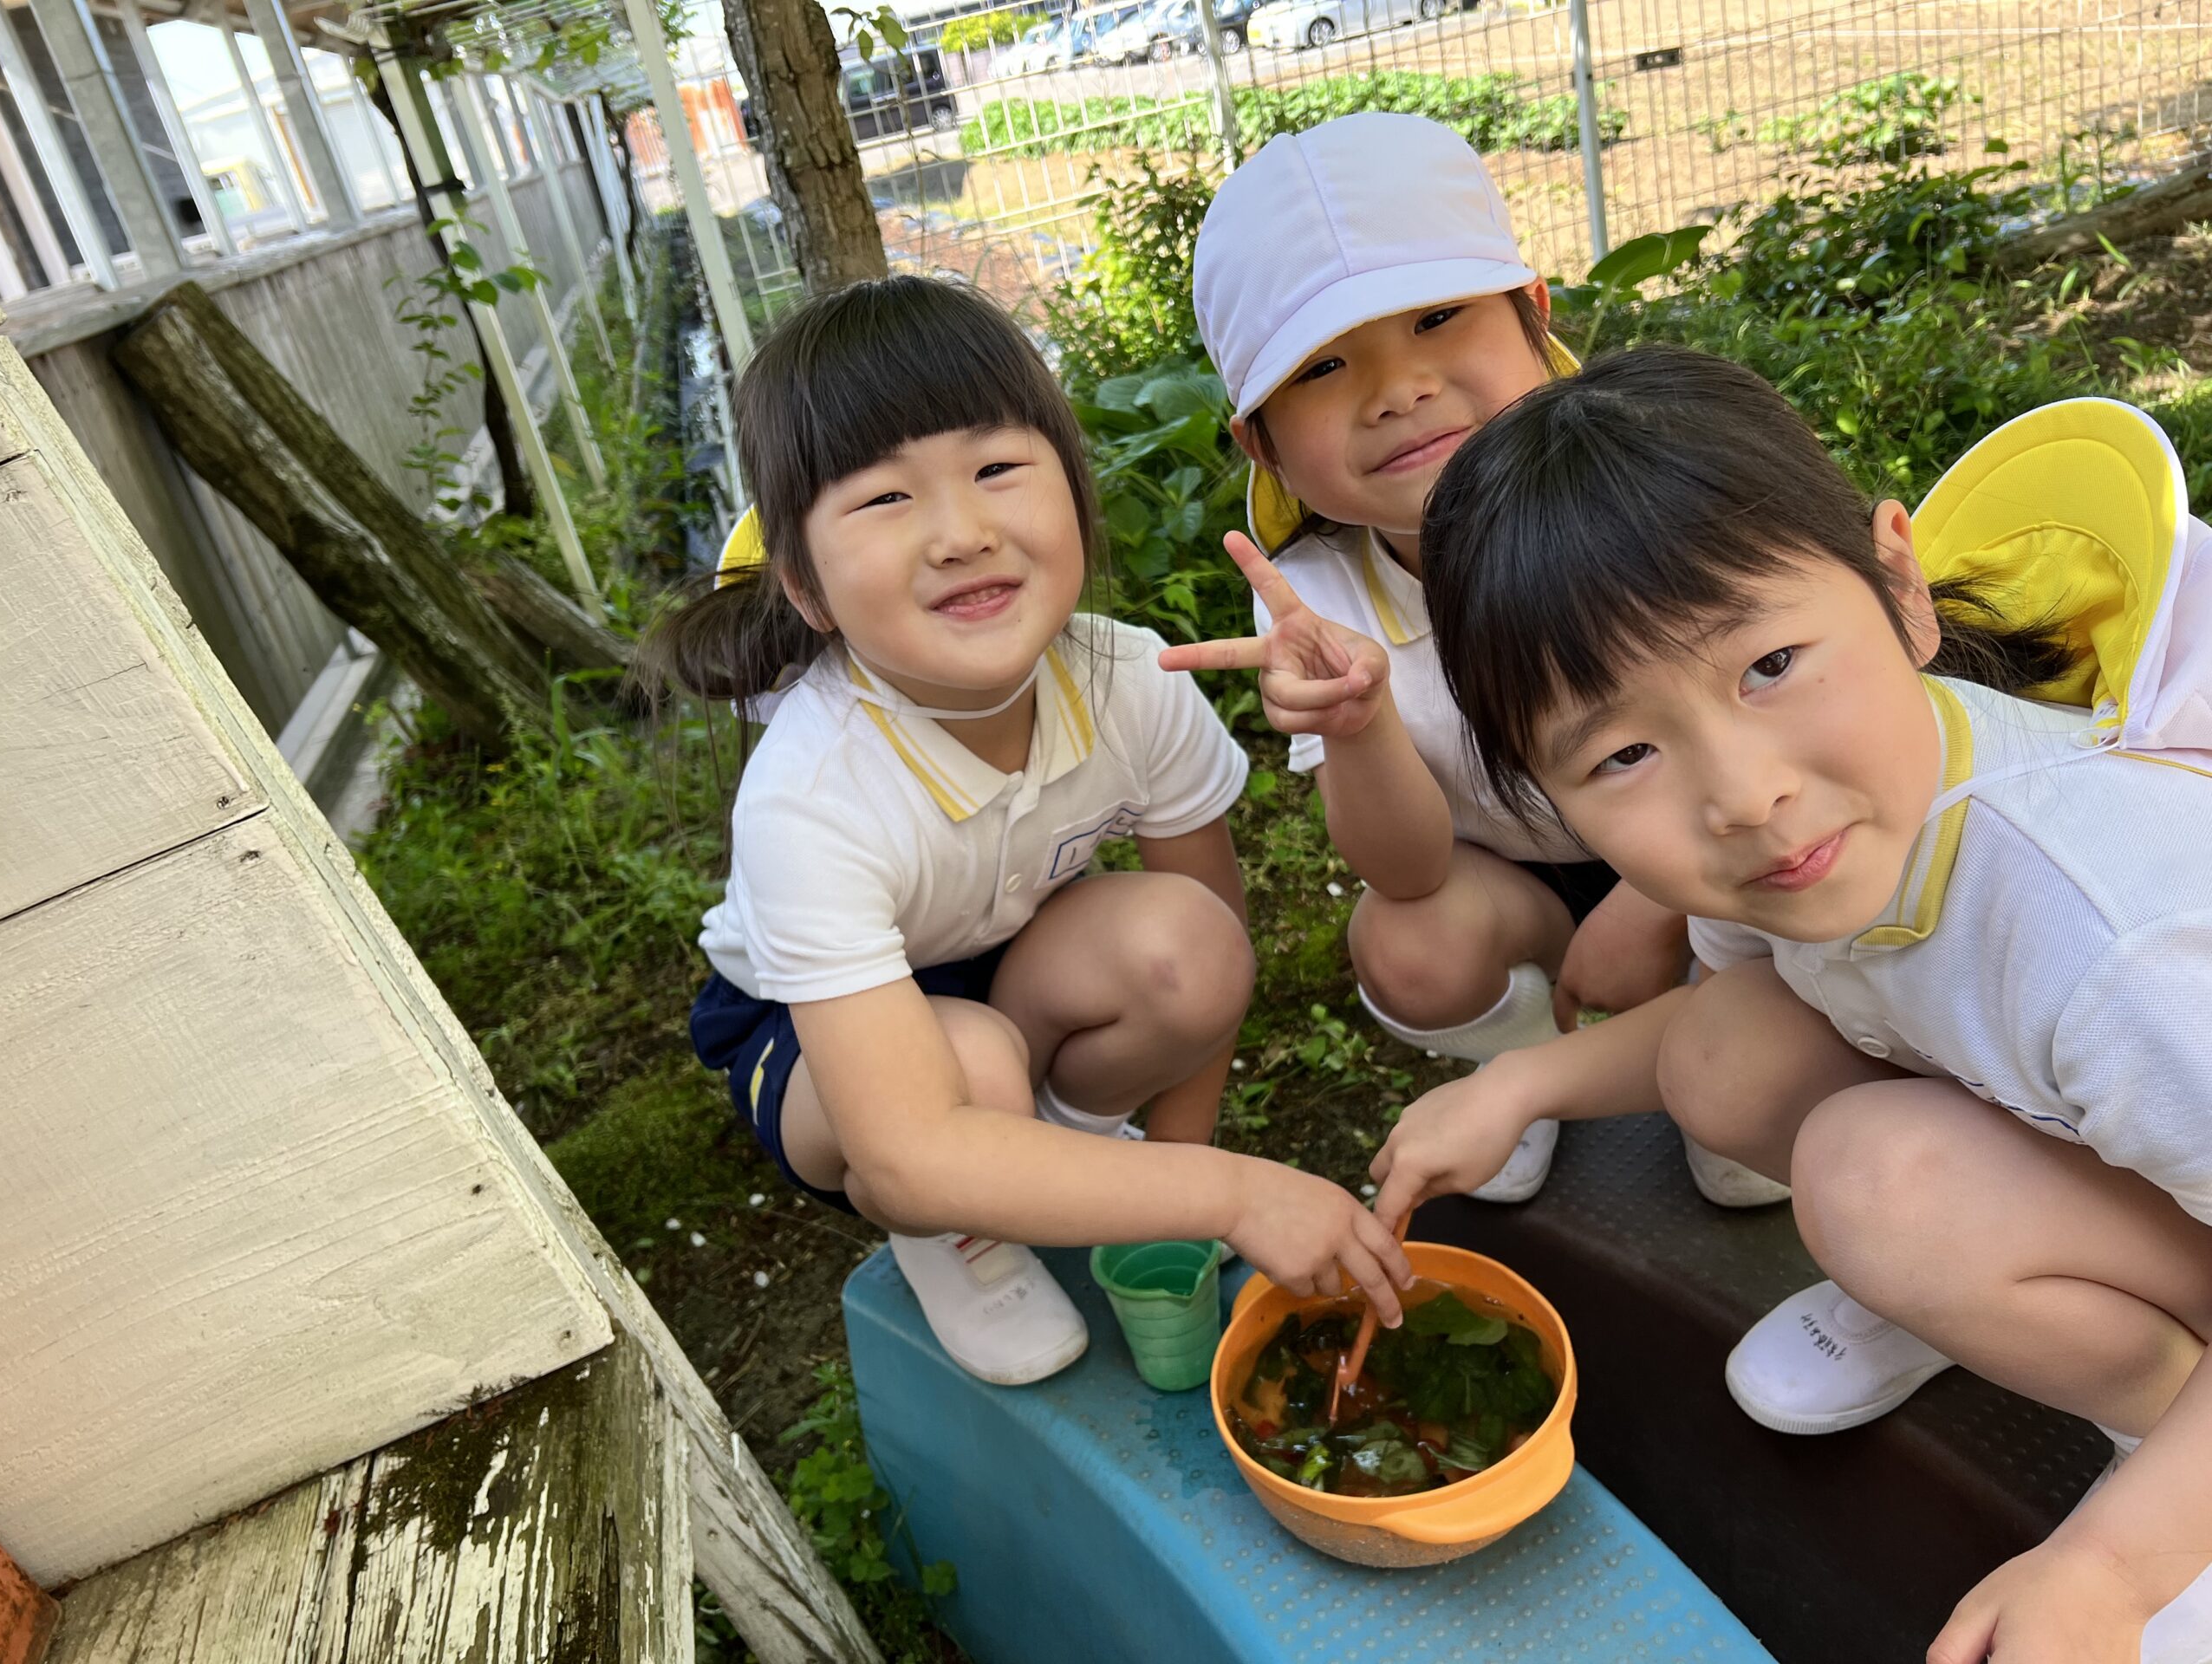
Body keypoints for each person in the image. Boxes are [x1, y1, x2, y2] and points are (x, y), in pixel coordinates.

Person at [1373, 344, 2212, 1663]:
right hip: (2112, 1136)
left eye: (1769, 665)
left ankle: (2165, 1443)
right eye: (1626, 752)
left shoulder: (2112, 931)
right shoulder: (1801, 843)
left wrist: (2111, 1572)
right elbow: (1735, 1026)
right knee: (1729, 1053)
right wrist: (1517, 1080)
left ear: (1897, 585)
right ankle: (1952, 1290)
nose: (1742, 793)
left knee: (1878, 1181)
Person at [634, 276, 1413, 1388]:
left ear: (1074, 494)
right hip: (804, 1043)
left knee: (1186, 945)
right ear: (804, 586)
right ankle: (966, 1236)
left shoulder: (1129, 677)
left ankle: (1068, 1150)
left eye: (998, 469)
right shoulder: (812, 793)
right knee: (963, 1073)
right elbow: (904, 1151)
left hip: (1008, 954)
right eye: (884, 500)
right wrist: (1239, 1194)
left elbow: (1213, 956)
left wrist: (1181, 1185)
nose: (962, 533)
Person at [1176, 111, 1782, 1206]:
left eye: (1438, 316)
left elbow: (1784, 734)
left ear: (1534, 315)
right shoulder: (1315, 595)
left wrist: (1653, 903)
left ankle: (1719, 1053)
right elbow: (1406, 873)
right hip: (1516, 880)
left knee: (1743, 1086)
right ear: (1260, 442)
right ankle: (1524, 1063)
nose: (1396, 389)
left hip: (1725, 834)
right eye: (1321, 368)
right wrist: (1354, 725)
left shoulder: (1654, 491)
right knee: (1408, 941)